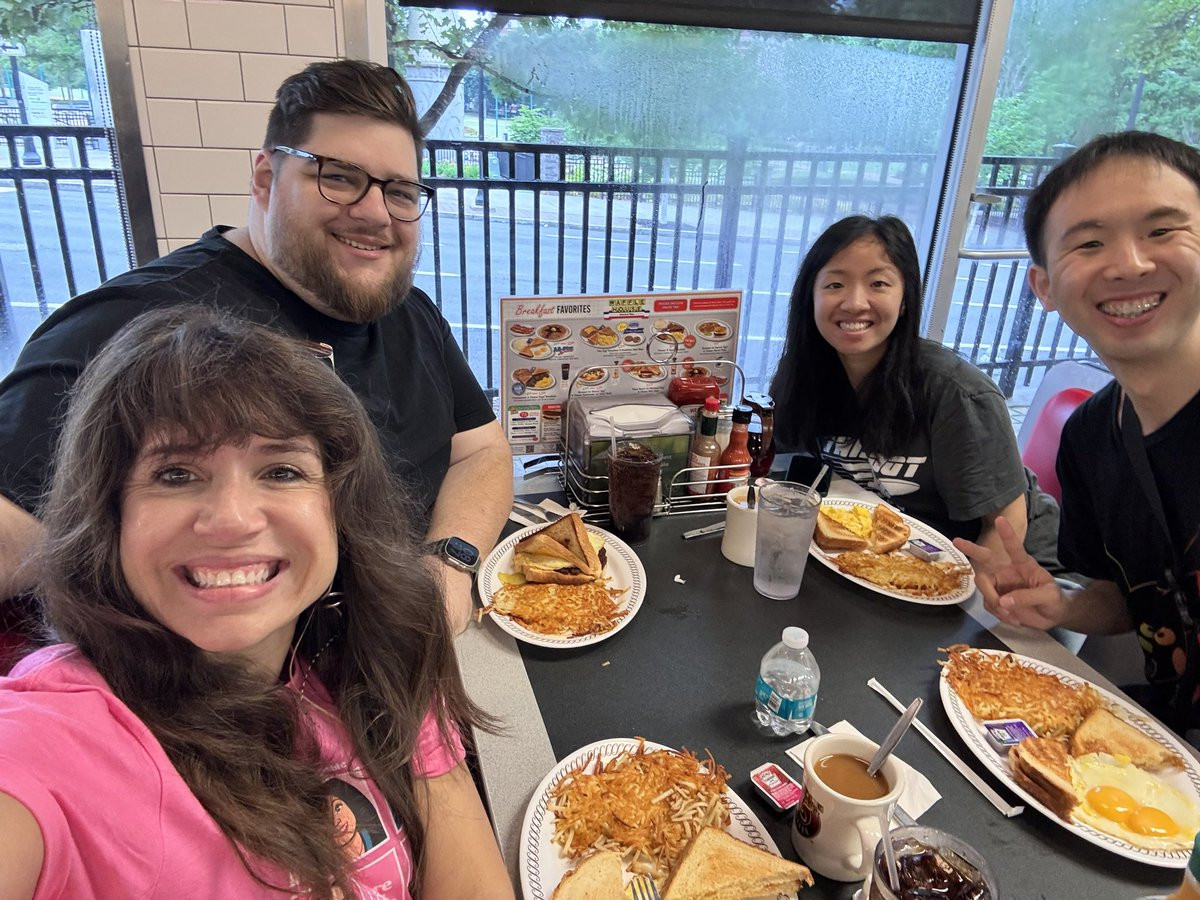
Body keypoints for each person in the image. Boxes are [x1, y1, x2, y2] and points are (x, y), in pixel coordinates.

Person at [0, 308, 514, 898]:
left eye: (281, 470)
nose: (232, 520)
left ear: (340, 507)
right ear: (110, 516)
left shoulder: (374, 652)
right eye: (175, 474)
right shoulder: (60, 744)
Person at [0, 60, 511, 633]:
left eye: (400, 191)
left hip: (408, 655)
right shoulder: (132, 324)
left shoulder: (411, 313)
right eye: (339, 177)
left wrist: (448, 565)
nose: (375, 213)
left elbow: (482, 453)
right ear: (266, 178)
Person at [958, 131, 1200, 746]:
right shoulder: (1093, 437)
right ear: (1043, 287)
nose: (1129, 264)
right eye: (1090, 243)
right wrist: (1063, 606)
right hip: (1163, 746)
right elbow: (1129, 598)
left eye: (1161, 231)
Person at [770, 214, 1059, 564]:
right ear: (810, 297)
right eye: (835, 285)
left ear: (905, 299)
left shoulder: (957, 394)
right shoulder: (804, 374)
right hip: (887, 557)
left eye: (878, 284)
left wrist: (975, 592)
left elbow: (1005, 525)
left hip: (1022, 566)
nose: (855, 303)